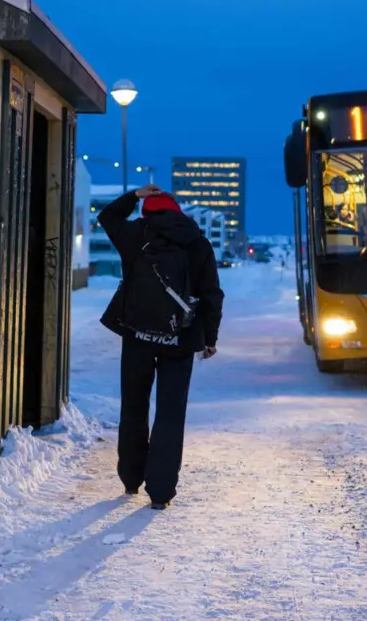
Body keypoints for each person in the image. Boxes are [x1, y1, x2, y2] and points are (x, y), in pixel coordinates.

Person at [98, 184, 224, 510]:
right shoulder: (198, 243)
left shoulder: (136, 235)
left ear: (147, 212)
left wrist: (135, 195)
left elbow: (107, 215)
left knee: (134, 406)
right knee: (170, 413)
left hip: (137, 336)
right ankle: (161, 492)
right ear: (178, 212)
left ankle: (130, 478)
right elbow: (211, 295)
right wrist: (209, 338)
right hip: (180, 340)